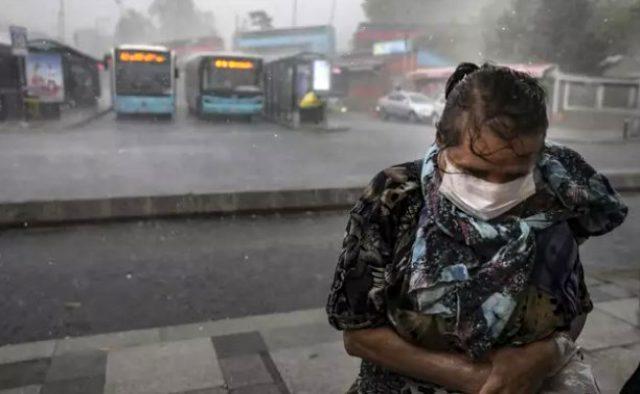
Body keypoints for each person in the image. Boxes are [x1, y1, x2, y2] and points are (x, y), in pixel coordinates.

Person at [326, 63, 628, 393]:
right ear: (441, 138)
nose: (495, 188)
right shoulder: (395, 197)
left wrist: (546, 353)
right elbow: (358, 334)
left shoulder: (550, 202)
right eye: (476, 172)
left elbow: (570, 308)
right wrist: (478, 380)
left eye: (514, 174)